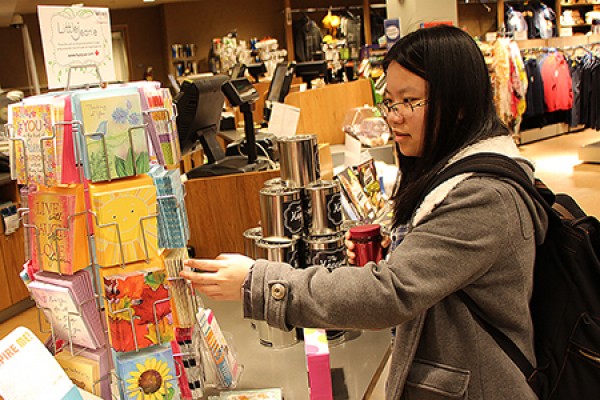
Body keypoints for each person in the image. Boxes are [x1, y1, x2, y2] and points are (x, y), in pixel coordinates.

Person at [180, 25, 547, 399]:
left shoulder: (483, 196)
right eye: (389, 101)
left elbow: (391, 294)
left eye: (409, 101)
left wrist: (257, 282)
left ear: (459, 104)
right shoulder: (451, 174)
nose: (394, 117)